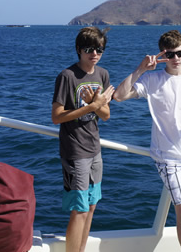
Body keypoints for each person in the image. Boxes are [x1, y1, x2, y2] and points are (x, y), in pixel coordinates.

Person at [113, 29, 181, 252]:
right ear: (162, 56)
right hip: (166, 156)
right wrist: (141, 68)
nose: (175, 59)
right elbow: (119, 96)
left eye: (179, 53)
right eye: (169, 55)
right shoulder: (152, 80)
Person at [51, 26, 115, 252]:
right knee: (79, 210)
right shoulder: (67, 76)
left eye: (99, 49)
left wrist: (97, 106)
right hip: (75, 150)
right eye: (89, 49)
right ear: (78, 50)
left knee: (91, 205)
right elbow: (56, 117)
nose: (94, 54)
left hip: (94, 150)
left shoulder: (102, 74)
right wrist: (92, 106)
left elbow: (105, 115)